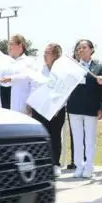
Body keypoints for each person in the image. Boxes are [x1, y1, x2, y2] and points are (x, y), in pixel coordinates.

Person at [66, 39, 102, 178]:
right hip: (74, 107)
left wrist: (101, 107)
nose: (81, 50)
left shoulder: (98, 67)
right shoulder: (73, 66)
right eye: (79, 48)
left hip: (91, 107)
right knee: (77, 139)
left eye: (84, 47)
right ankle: (79, 166)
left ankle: (89, 166)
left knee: (89, 139)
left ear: (91, 50)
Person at [28, 43, 67, 173]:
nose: (44, 55)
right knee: (41, 137)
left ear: (56, 55)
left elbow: (65, 90)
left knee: (55, 136)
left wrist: (57, 107)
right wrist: (30, 103)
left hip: (57, 109)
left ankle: (55, 164)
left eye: (47, 53)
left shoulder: (62, 71)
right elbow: (34, 86)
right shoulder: (39, 69)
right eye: (44, 52)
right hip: (39, 107)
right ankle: (42, 164)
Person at [0, 34, 38, 113]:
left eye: (11, 44)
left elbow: (33, 84)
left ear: (20, 45)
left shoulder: (29, 62)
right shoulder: (4, 61)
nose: (8, 47)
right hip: (2, 104)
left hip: (19, 105)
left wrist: (30, 103)